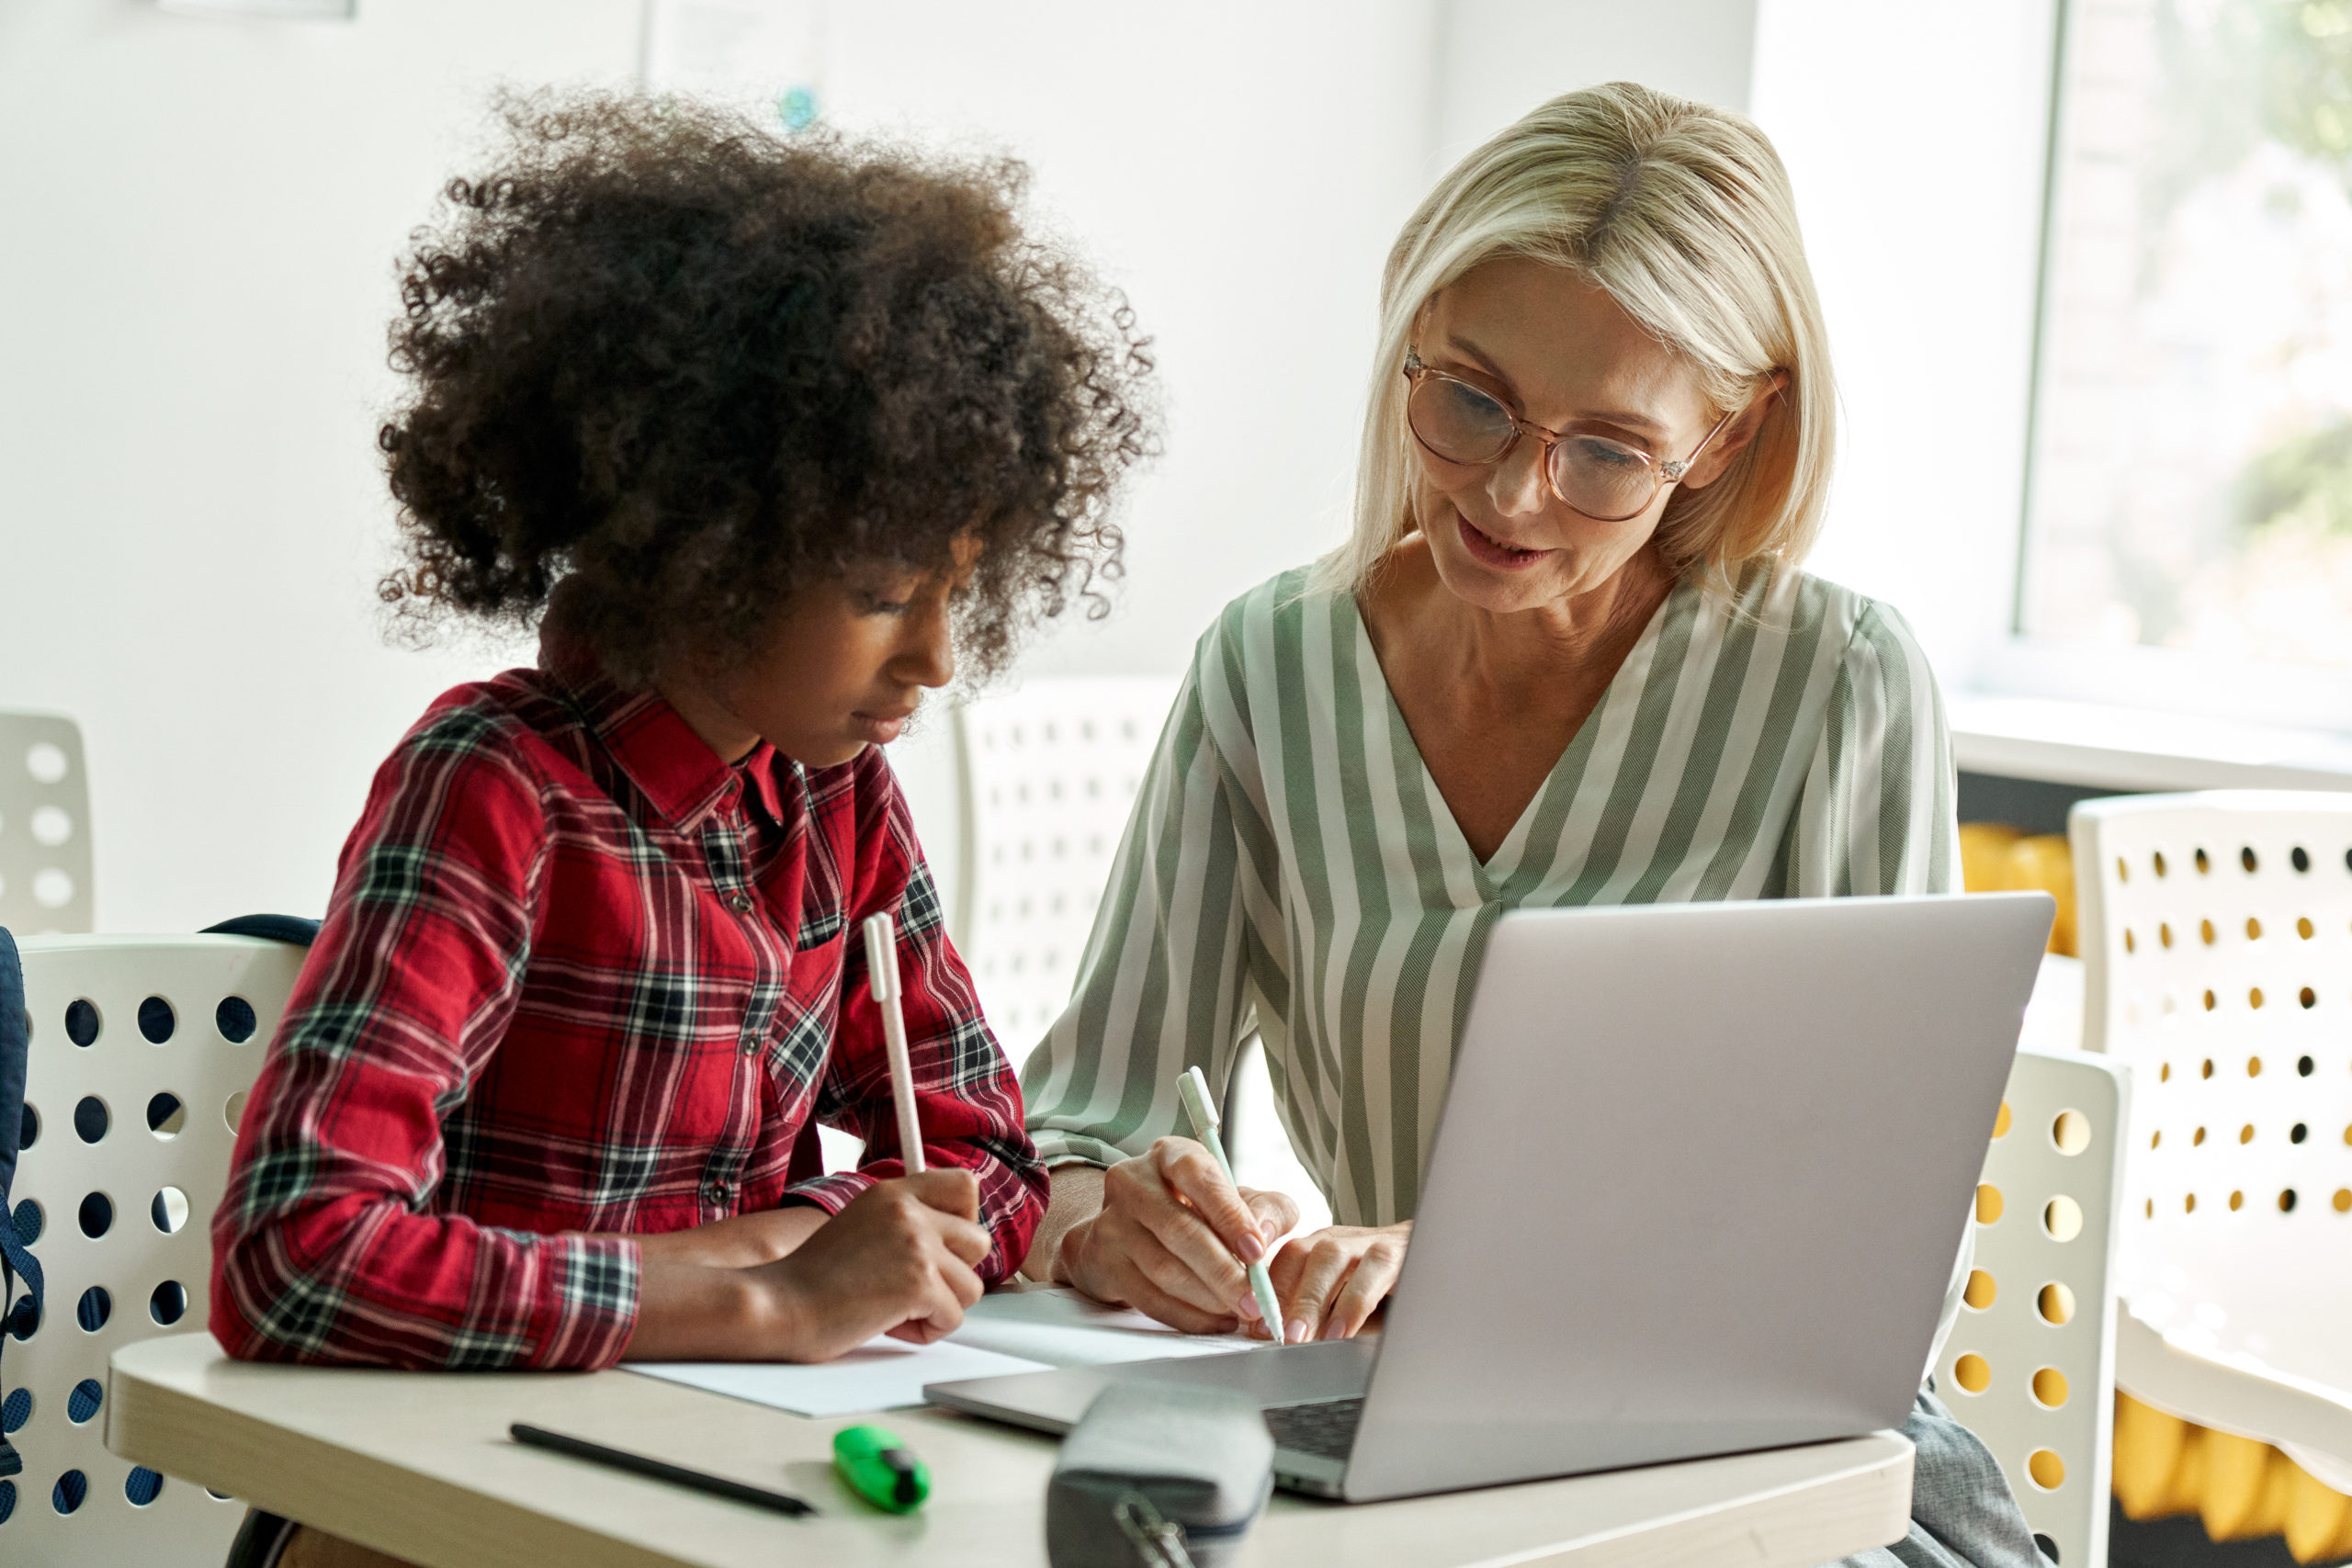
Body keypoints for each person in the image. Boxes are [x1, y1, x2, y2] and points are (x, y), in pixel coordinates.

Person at [1021, 82, 2044, 1568]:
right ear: (1414, 337)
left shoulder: (1836, 686)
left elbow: (1867, 1264)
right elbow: (1080, 1115)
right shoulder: (1273, 666)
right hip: (1387, 1452)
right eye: (1472, 400)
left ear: (1724, 437)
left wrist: (1487, 1282)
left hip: (1762, 1476)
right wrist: (1117, 1211)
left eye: (1607, 450)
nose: (1511, 491)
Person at [211, 91, 1150, 1383]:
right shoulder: (498, 790)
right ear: (710, 547)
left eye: (958, 594)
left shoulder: (842, 806)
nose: (936, 659)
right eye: (883, 594)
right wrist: (764, 1300)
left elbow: (988, 1171)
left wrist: (814, 1248)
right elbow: (293, 1261)